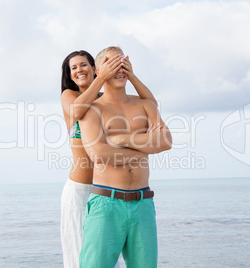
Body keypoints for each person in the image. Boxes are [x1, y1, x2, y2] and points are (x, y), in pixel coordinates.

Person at [60, 50, 158, 268]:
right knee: (79, 258)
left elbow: (150, 102)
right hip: (80, 188)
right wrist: (143, 151)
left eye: (83, 65)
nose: (79, 70)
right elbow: (77, 111)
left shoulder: (105, 100)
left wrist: (130, 76)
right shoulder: (71, 96)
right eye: (73, 67)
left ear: (92, 68)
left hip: (105, 188)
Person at [78, 46, 172, 268]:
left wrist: (122, 139)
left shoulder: (145, 105)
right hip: (106, 203)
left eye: (123, 64)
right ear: (99, 70)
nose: (119, 70)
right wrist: (145, 146)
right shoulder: (90, 109)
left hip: (143, 202)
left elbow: (165, 141)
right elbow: (99, 154)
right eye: (112, 64)